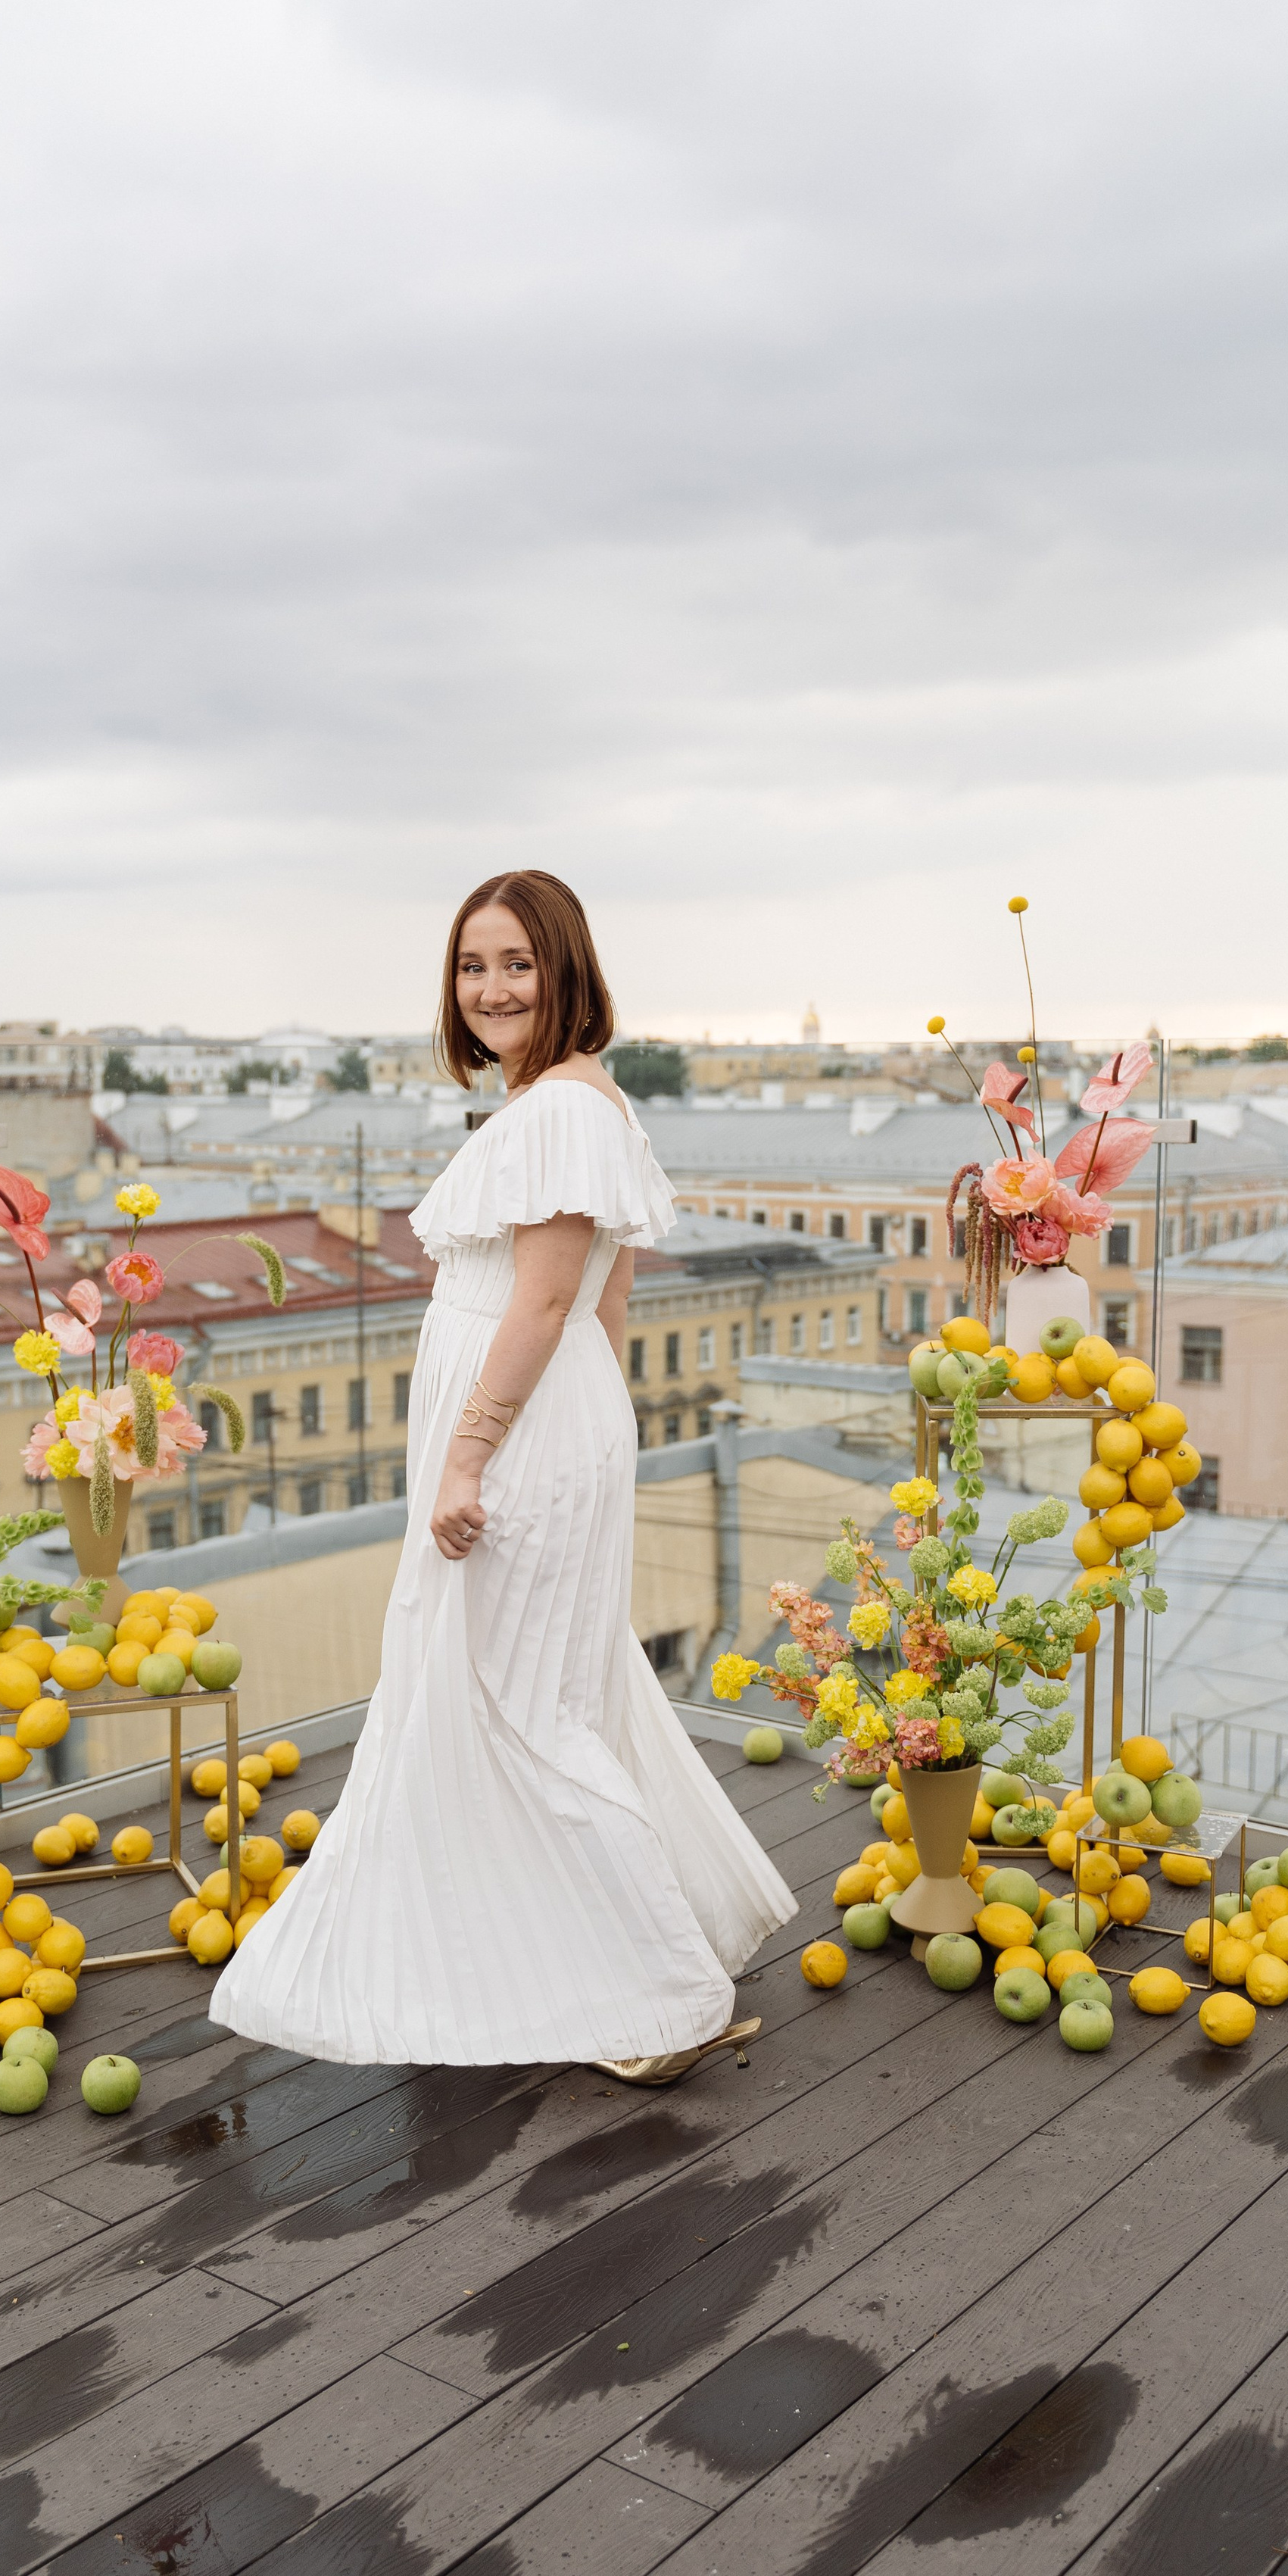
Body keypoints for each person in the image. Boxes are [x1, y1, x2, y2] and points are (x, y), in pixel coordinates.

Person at [207, 868, 795, 2080]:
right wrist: (580, 1424)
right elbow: (606, 1297)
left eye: (518, 963)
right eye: (474, 966)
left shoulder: (566, 1113)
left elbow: (541, 1298)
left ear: (567, 968)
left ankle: (664, 1997)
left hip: (518, 1431)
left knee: (519, 1706)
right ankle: (630, 1949)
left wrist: (477, 1450)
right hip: (547, 1418)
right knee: (552, 1692)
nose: (492, 988)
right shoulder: (571, 1105)